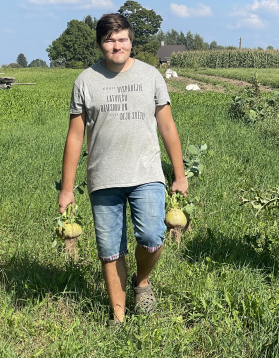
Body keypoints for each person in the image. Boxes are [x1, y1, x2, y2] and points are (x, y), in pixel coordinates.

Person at [58, 13, 188, 325]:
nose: (117, 46)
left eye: (122, 39)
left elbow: (167, 127)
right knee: (109, 249)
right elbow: (75, 135)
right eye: (110, 40)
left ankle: (141, 282)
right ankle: (118, 317)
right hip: (103, 177)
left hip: (147, 174)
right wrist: (66, 188)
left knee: (152, 236)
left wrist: (180, 175)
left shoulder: (150, 76)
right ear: (101, 43)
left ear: (131, 41)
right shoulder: (85, 81)